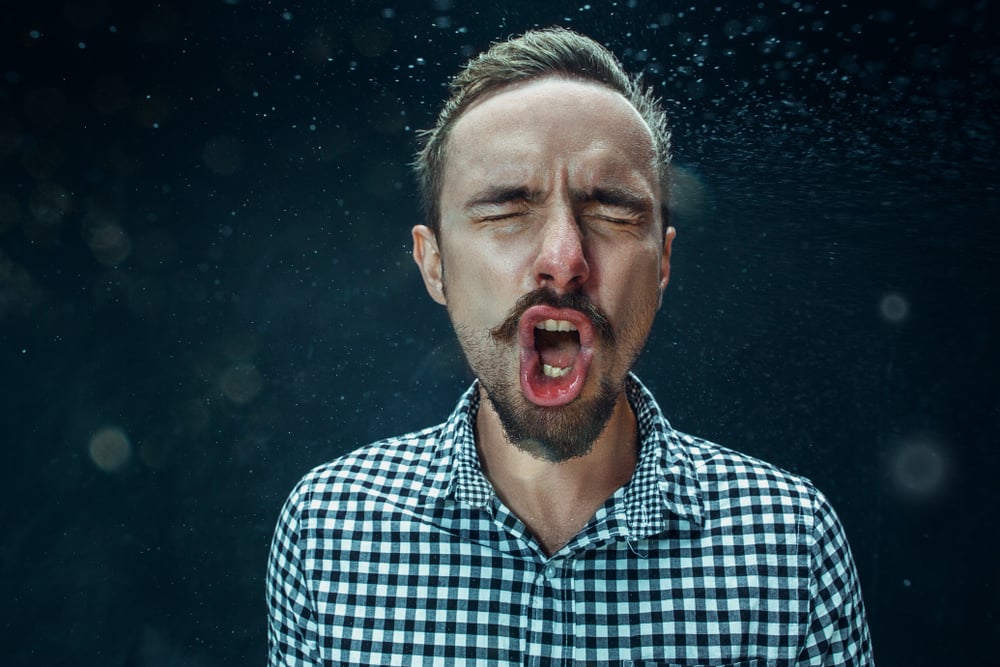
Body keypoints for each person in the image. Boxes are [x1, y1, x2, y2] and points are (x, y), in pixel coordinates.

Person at [267, 27, 874, 666]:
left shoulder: (791, 546)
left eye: (613, 211)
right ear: (435, 264)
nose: (564, 261)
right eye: (505, 210)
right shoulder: (327, 531)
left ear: (663, 264)